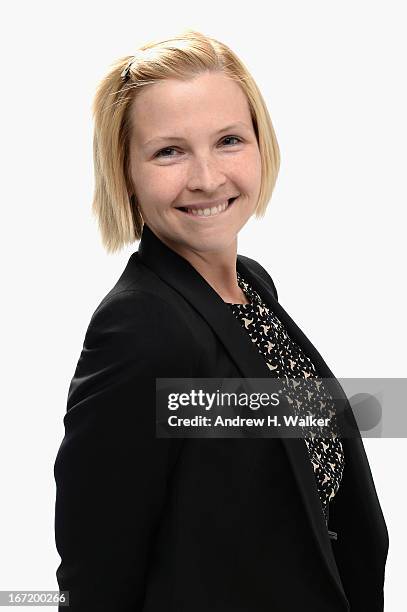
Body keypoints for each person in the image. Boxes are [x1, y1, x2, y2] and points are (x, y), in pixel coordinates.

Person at [53, 29, 389, 611]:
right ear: (125, 172)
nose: (207, 178)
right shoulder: (141, 329)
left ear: (262, 146)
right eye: (169, 151)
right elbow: (95, 576)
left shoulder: (252, 285)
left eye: (229, 140)